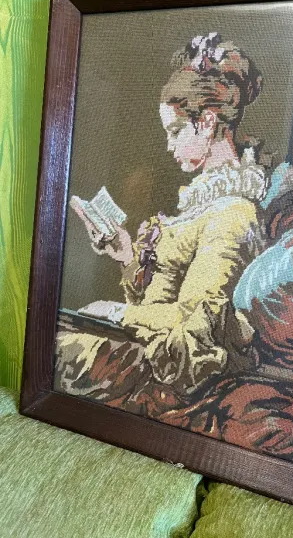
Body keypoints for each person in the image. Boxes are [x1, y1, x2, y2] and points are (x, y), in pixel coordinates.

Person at [56, 32, 267, 398]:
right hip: (145, 344)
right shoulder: (204, 201)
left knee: (55, 348)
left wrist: (115, 312)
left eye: (175, 131)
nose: (169, 145)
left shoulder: (233, 213)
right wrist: (124, 252)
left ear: (207, 122)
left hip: (169, 364)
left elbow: (193, 324)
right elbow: (158, 300)